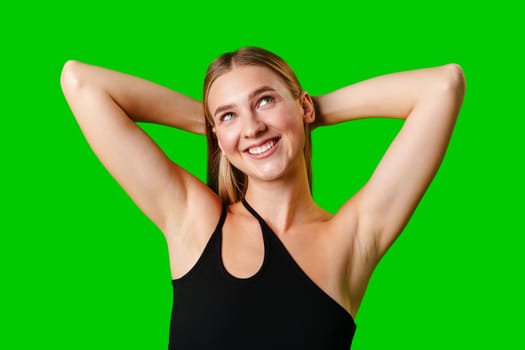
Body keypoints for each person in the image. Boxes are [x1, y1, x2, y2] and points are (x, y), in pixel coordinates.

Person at [60, 47, 466, 349]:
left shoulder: (352, 237)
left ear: (303, 105)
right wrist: (217, 129)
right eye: (229, 114)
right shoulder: (195, 220)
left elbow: (443, 86)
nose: (252, 127)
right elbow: (79, 81)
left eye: (265, 101)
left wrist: (306, 113)